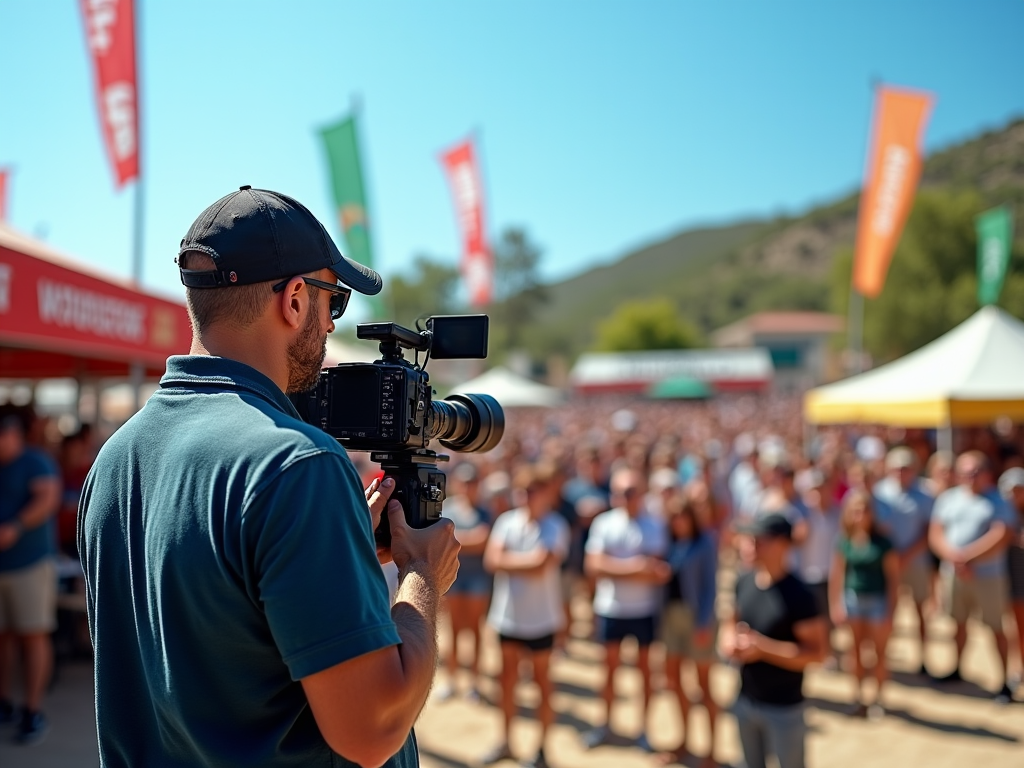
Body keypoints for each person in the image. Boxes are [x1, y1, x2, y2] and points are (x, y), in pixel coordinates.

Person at [78, 187, 461, 767]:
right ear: (295, 300)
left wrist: (337, 550)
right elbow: (372, 728)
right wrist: (422, 576)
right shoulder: (298, 464)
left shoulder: (115, 458)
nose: (333, 325)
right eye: (334, 303)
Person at [721, 513, 827, 768]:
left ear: (782, 544)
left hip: (784, 707)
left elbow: (816, 654)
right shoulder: (744, 581)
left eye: (758, 540)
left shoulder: (801, 595)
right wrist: (729, 642)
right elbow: (729, 623)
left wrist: (762, 649)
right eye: (749, 540)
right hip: (745, 699)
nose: (749, 546)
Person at [481, 462, 569, 768]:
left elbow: (540, 565)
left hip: (543, 619)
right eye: (522, 490)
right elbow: (493, 560)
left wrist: (511, 561)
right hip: (507, 617)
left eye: (531, 490)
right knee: (506, 681)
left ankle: (542, 748)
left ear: (545, 493)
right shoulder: (507, 521)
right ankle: (506, 741)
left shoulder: (556, 525)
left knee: (542, 684)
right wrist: (524, 562)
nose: (525, 496)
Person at [582, 467, 669, 752]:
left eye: (629, 492)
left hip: (644, 610)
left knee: (645, 673)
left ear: (641, 493)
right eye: (618, 492)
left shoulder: (655, 524)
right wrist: (636, 567)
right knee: (608, 672)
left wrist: (614, 567)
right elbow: (593, 566)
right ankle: (605, 724)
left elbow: (656, 570)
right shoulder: (604, 523)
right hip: (610, 609)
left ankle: (643, 729)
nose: (623, 498)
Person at [929, 450, 1016, 702]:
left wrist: (967, 557)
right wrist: (954, 557)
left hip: (988, 576)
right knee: (957, 623)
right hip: (954, 574)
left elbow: (1002, 535)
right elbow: (936, 533)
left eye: (975, 472)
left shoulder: (998, 501)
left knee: (996, 628)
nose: (970, 477)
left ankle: (1004, 680)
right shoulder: (948, 499)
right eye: (965, 472)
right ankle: (957, 667)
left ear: (987, 473)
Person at [0, 409, 61, 745]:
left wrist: (16, 527)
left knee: (33, 636)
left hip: (30, 564)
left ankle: (32, 709)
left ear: (13, 435)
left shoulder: (35, 462)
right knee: (4, 639)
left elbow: (47, 498)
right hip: (4, 567)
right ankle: (5, 701)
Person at [658, 497, 719, 767]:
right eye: (674, 517)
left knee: (704, 686)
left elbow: (710, 586)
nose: (679, 521)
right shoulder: (669, 543)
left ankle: (711, 749)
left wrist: (703, 623)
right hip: (671, 618)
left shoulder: (705, 543)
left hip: (697, 619)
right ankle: (684, 740)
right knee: (673, 681)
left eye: (683, 516)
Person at [829, 489, 898, 718]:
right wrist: (835, 604)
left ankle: (878, 699)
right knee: (855, 652)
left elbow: (893, 579)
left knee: (879, 653)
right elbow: (837, 575)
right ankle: (857, 697)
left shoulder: (883, 542)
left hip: (877, 601)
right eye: (855, 511)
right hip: (853, 600)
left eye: (864, 510)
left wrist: (891, 610)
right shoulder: (845, 540)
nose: (860, 515)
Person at [873, 447, 934, 675]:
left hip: (916, 563)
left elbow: (929, 530)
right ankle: (885, 657)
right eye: (897, 468)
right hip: (887, 564)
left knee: (921, 611)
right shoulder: (879, 493)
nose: (901, 473)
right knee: (888, 611)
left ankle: (923, 658)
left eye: (905, 468)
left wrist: (906, 555)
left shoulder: (926, 493)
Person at [436, 462, 493, 702]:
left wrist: (459, 540)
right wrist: (468, 540)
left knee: (475, 629)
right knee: (455, 629)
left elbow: (481, 541)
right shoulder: (449, 508)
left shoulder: (486, 511)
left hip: (477, 578)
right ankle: (452, 679)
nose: (469, 487)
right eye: (465, 482)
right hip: (455, 578)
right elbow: (446, 540)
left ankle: (474, 681)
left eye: (473, 482)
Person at [998, 467, 1024, 694]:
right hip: (1008, 580)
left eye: (1019, 490)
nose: (1014, 495)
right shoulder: (1001, 513)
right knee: (1014, 629)